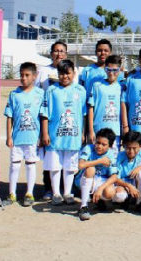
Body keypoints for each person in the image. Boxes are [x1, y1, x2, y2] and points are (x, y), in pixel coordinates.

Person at [40, 59, 87, 206]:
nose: (64, 76)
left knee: (70, 166)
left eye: (68, 73)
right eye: (61, 73)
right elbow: (45, 113)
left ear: (73, 73)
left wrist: (83, 132)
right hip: (55, 136)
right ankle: (56, 193)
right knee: (54, 166)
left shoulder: (80, 91)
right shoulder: (51, 90)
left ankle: (67, 192)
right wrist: (45, 133)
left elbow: (83, 114)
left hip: (73, 137)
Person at [3, 62, 43, 206]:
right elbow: (10, 117)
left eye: (27, 75)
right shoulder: (14, 94)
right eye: (21, 75)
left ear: (34, 76)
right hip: (17, 138)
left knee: (31, 165)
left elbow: (43, 117)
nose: (23, 78)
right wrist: (9, 136)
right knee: (14, 165)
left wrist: (41, 136)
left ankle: (29, 193)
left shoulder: (40, 94)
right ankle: (12, 193)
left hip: (33, 138)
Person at [37, 40, 70, 201]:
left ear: (66, 53)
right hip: (49, 119)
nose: (59, 54)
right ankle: (49, 188)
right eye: (56, 51)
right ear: (51, 53)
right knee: (49, 156)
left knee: (66, 156)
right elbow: (37, 93)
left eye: (61, 51)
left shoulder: (72, 71)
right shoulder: (44, 71)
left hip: (66, 121)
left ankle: (65, 189)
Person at [76, 127, 118, 220]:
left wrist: (100, 188)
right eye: (98, 142)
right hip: (85, 179)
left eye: (104, 144)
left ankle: (100, 201)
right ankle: (83, 206)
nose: (99, 146)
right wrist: (100, 161)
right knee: (91, 169)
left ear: (110, 146)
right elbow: (81, 165)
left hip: (101, 180)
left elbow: (114, 176)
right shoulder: (88, 148)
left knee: (110, 192)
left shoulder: (111, 154)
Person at [87, 55, 123, 148]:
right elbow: (91, 108)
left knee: (112, 161)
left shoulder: (122, 87)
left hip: (115, 133)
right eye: (109, 69)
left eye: (115, 70)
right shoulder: (96, 85)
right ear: (105, 69)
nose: (111, 73)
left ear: (120, 70)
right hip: (98, 131)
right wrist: (91, 130)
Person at [109, 130, 141, 210]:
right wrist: (128, 186)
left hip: (137, 183)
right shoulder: (120, 156)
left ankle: (139, 202)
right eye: (128, 148)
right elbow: (116, 178)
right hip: (123, 183)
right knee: (119, 196)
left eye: (134, 148)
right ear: (124, 146)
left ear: (140, 146)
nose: (131, 151)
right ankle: (125, 200)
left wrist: (140, 167)